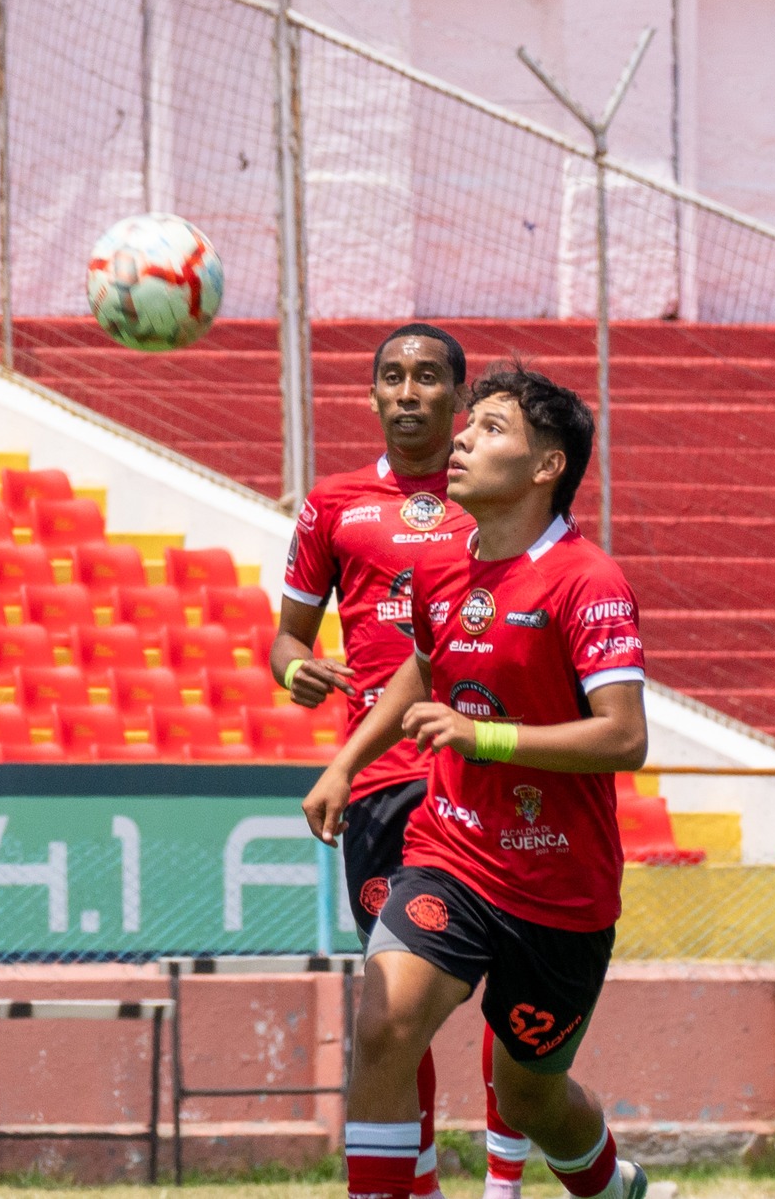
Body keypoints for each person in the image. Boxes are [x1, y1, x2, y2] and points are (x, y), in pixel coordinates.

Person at [302, 365, 650, 1199]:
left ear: (546, 466)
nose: (460, 437)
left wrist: (483, 733)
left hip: (559, 889)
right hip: (450, 850)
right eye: (470, 426)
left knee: (532, 1096)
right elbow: (423, 671)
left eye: (491, 428)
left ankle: (609, 1187)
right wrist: (344, 763)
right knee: (386, 1023)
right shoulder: (441, 569)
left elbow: (625, 736)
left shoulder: (587, 580)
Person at [272, 323, 528, 1199]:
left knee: (511, 993)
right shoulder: (333, 504)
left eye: (427, 377)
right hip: (386, 783)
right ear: (374, 394)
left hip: (488, 764)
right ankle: (413, 1183)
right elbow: (286, 637)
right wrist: (294, 670)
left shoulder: (495, 502)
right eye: (393, 377)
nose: (409, 392)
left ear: (460, 399)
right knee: (393, 1008)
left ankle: (504, 1183)